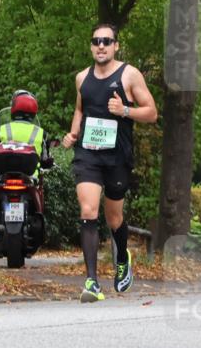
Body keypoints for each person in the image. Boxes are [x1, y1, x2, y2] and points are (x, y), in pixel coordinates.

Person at [62, 24, 158, 303]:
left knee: (114, 217)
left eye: (107, 41)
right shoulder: (82, 78)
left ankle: (122, 258)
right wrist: (73, 134)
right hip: (89, 154)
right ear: (91, 46)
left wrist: (125, 110)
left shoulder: (129, 74)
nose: (101, 46)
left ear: (116, 45)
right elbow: (80, 109)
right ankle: (92, 281)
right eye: (96, 41)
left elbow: (152, 112)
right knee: (88, 209)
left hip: (117, 156)